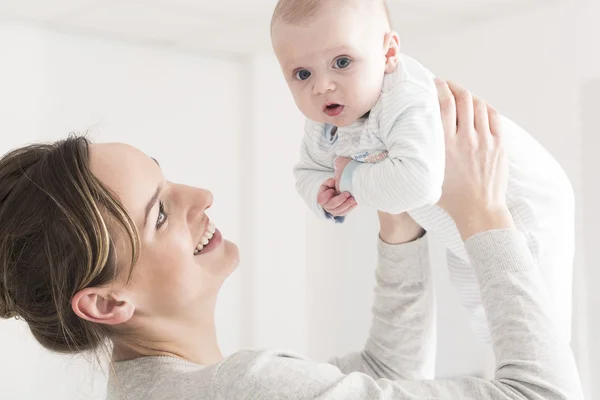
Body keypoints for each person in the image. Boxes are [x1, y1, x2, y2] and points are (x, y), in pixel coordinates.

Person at [0, 81, 582, 399]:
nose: (199, 196)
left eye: (166, 176)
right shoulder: (244, 390)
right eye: (159, 215)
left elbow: (382, 375)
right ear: (106, 302)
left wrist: (395, 216)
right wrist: (483, 211)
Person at [271, 0, 574, 343]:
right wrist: (323, 193)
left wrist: (352, 178)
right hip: (462, 225)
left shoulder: (404, 96)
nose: (322, 85)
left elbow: (417, 183)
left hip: (527, 205)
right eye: (302, 74)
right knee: (491, 325)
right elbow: (308, 170)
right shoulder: (325, 121)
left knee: (541, 328)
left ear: (388, 54)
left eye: (342, 63)